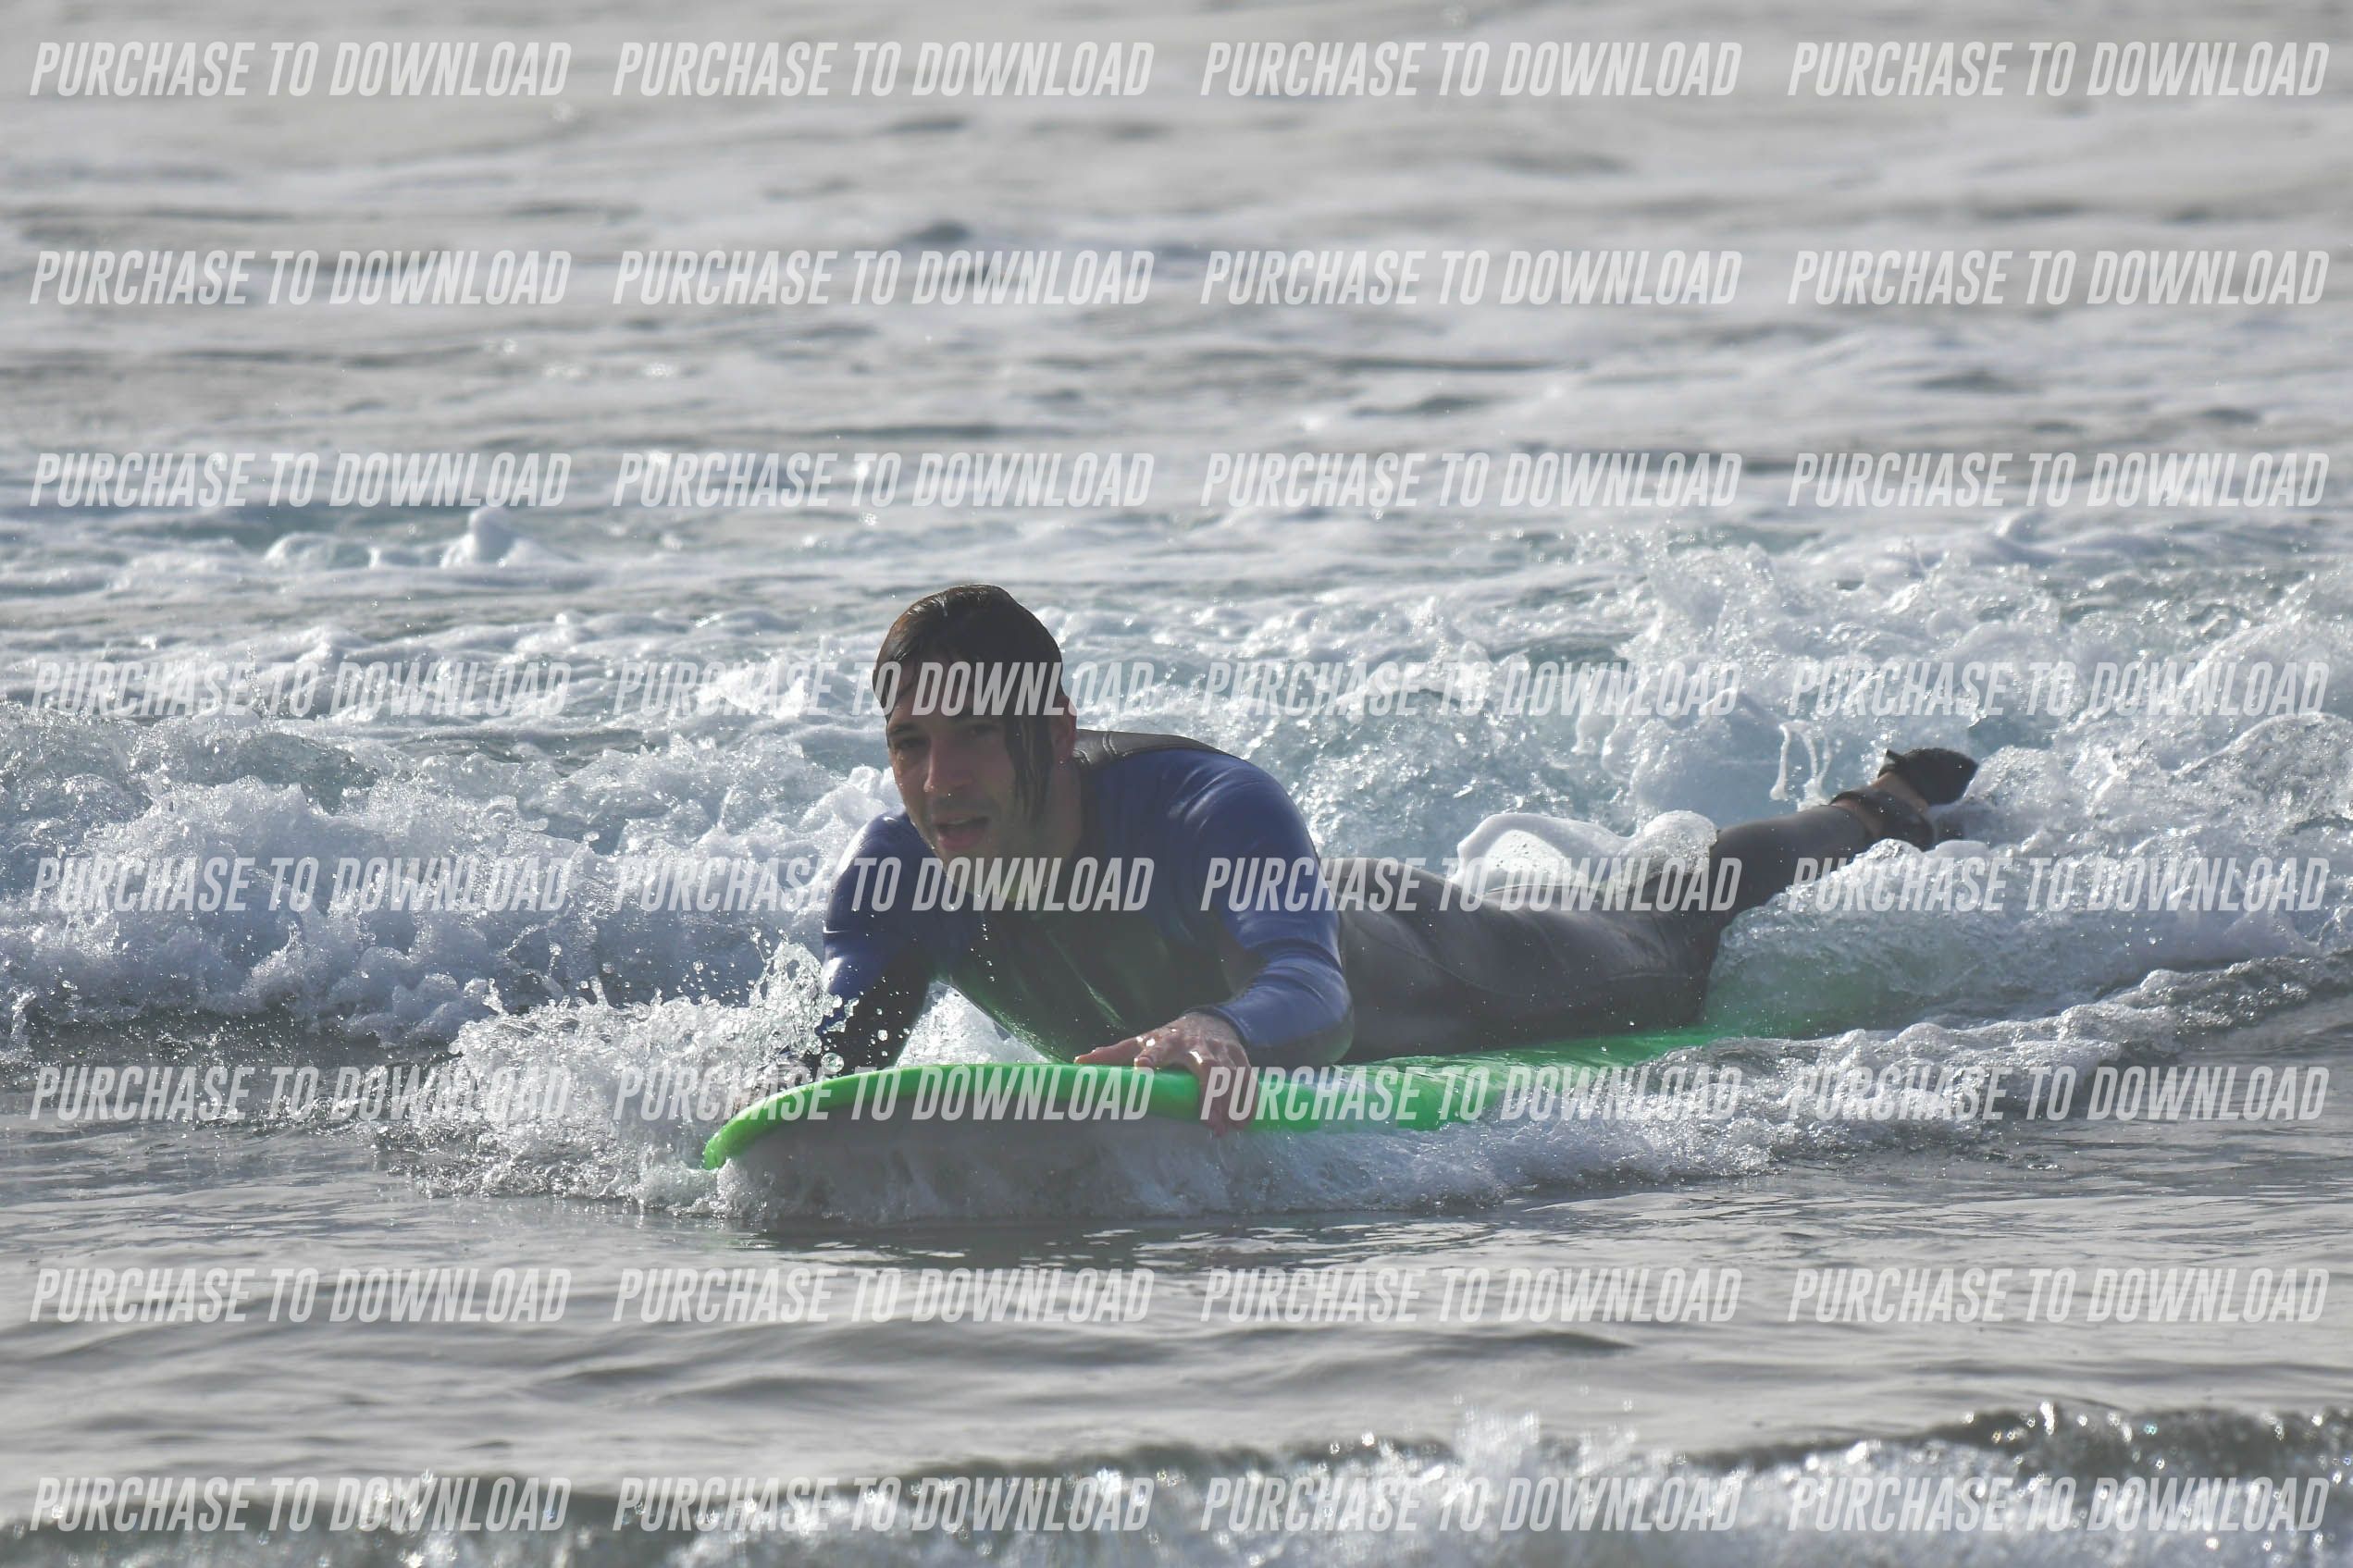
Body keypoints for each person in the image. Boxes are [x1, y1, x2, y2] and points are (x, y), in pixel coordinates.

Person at [784, 585, 1975, 1130]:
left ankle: (1877, 808)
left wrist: (1224, 1030)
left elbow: (1315, 996)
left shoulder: (1205, 806)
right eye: (910, 744)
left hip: (1428, 961)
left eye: (973, 738)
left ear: (1052, 731)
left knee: (1664, 926)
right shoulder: (897, 878)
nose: (939, 781)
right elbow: (829, 1070)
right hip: (1300, 915)